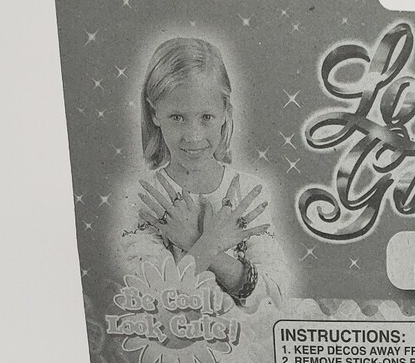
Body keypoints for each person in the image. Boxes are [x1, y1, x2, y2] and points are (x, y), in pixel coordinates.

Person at [118, 37, 291, 307]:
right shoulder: (145, 197)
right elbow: (156, 299)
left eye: (206, 117)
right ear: (154, 114)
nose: (193, 136)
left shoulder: (249, 192)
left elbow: (273, 295)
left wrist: (195, 242)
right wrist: (210, 247)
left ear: (225, 113)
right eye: (177, 117)